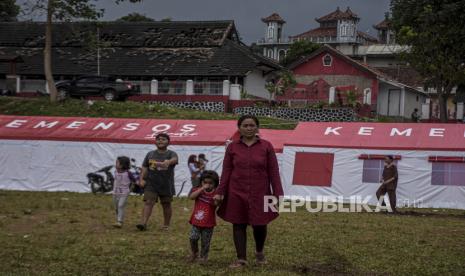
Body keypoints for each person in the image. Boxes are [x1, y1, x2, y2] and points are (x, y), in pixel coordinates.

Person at [213, 115, 284, 268]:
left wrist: (278, 194)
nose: (249, 128)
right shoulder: (232, 147)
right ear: (239, 128)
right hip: (236, 190)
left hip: (261, 191)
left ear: (257, 128)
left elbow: (274, 171)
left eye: (252, 125)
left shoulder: (266, 146)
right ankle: (241, 259)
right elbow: (226, 170)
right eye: (245, 125)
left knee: (260, 223)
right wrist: (220, 191)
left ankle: (259, 252)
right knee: (238, 223)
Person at [137, 133, 178, 231]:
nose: (160, 141)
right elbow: (145, 167)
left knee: (166, 204)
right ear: (155, 141)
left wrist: (168, 162)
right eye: (158, 139)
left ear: (168, 142)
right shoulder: (150, 154)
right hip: (151, 183)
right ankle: (143, 223)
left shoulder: (171, 153)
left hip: (166, 184)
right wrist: (142, 179)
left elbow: (175, 160)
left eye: (163, 139)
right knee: (148, 202)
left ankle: (166, 225)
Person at [187, 170, 219, 263]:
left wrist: (217, 199)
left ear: (215, 184)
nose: (207, 185)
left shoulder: (215, 194)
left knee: (205, 242)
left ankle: (203, 257)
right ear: (201, 182)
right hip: (196, 221)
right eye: (205, 182)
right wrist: (201, 189)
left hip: (208, 222)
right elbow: (191, 197)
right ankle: (194, 252)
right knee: (193, 237)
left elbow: (216, 204)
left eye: (210, 183)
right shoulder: (198, 190)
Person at [112, 156, 135, 228]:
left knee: (120, 205)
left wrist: (131, 189)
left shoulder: (128, 173)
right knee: (116, 207)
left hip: (124, 193)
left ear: (122, 165)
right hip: (115, 193)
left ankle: (119, 222)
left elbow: (134, 181)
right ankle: (119, 217)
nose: (115, 164)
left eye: (117, 163)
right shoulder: (115, 172)